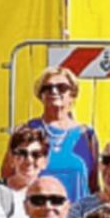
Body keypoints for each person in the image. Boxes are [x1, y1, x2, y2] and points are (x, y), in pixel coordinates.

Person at [19, 67, 98, 203]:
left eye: (61, 87)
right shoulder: (27, 131)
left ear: (72, 94)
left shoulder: (86, 135)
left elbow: (94, 184)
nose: (54, 91)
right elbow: (10, 176)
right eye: (47, 88)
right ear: (40, 95)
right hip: (41, 214)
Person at [3, 127, 49, 198]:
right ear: (11, 158)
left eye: (36, 154)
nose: (29, 160)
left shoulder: (52, 197)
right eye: (22, 153)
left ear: (45, 162)